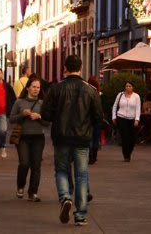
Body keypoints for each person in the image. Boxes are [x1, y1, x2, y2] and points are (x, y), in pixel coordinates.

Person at [41, 55, 103, 226]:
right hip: (83, 138)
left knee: (61, 170)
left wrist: (58, 116)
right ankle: (81, 214)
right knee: (82, 174)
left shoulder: (56, 88)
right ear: (81, 68)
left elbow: (45, 114)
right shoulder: (90, 90)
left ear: (64, 69)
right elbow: (99, 117)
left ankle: (65, 197)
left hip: (61, 137)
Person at [9, 74, 50, 202]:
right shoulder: (19, 102)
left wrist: (39, 117)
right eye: (33, 87)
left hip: (38, 137)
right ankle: (20, 186)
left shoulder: (43, 103)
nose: (36, 89)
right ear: (27, 88)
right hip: (22, 137)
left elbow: (47, 123)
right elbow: (11, 119)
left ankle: (33, 192)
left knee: (36, 165)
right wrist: (22, 114)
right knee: (24, 163)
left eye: (38, 87)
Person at [111, 81, 141, 162]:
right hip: (122, 118)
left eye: (130, 86)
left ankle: (129, 152)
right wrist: (114, 116)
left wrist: (137, 119)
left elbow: (138, 108)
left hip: (132, 119)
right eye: (127, 86)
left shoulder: (136, 96)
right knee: (125, 137)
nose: (128, 87)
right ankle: (126, 156)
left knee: (132, 138)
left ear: (133, 87)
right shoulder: (120, 95)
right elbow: (115, 106)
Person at [87, 75, 102, 165]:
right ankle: (94, 156)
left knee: (90, 138)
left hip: (89, 119)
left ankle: (91, 156)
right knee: (96, 138)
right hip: (98, 119)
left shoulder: (87, 92)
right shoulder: (99, 93)